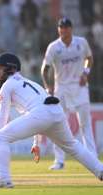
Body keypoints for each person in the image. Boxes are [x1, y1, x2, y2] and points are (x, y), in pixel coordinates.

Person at [0, 53, 103, 188]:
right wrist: (36, 143)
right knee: (73, 146)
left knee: (0, 137)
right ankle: (101, 170)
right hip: (56, 111)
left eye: (0, 67)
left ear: (10, 68)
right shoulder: (31, 83)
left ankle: (4, 179)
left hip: (42, 114)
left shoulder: (7, 86)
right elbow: (36, 113)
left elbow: (2, 116)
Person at [41, 17, 98, 170]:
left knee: (85, 123)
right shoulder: (54, 47)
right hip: (61, 88)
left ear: (71, 29)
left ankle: (93, 159)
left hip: (79, 87)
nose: (63, 30)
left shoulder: (81, 42)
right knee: (58, 123)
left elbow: (89, 58)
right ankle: (59, 160)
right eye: (60, 27)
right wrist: (48, 87)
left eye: (65, 27)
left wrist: (85, 73)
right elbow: (45, 69)